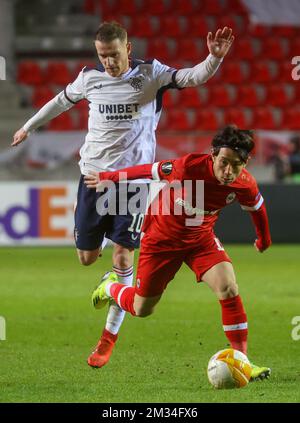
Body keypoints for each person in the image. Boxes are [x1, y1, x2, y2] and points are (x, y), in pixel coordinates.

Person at [12, 21, 234, 368]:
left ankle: (107, 339)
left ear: (128, 49)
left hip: (133, 183)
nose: (109, 63)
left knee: (123, 258)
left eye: (114, 55)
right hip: (93, 178)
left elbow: (193, 77)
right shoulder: (90, 78)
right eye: (103, 56)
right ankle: (106, 277)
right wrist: (28, 126)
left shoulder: (151, 74)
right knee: (86, 257)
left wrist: (213, 59)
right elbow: (60, 101)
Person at [84, 125, 272, 380]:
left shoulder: (244, 183)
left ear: (246, 162)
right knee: (141, 308)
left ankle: (243, 363)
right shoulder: (189, 167)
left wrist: (263, 240)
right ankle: (110, 287)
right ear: (213, 155)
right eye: (224, 162)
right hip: (160, 240)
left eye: (236, 164)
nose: (228, 171)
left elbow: (257, 208)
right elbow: (150, 171)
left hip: (199, 239)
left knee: (228, 287)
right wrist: (111, 177)